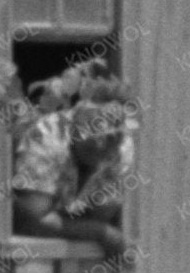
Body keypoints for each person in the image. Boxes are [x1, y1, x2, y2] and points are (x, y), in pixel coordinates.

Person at [13, 55, 133, 254]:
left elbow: (100, 213)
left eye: (114, 136)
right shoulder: (46, 135)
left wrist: (95, 222)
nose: (107, 145)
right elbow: (34, 220)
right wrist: (100, 233)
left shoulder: (120, 147)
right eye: (97, 139)